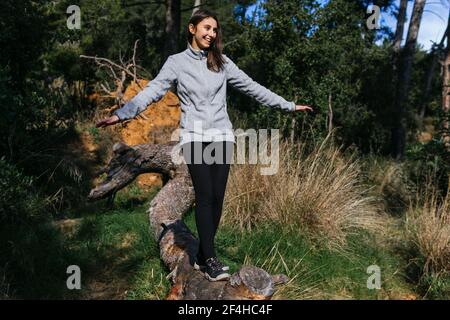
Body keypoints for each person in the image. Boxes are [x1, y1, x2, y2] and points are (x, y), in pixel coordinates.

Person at [96, 9, 313, 281]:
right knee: (205, 196)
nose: (211, 34)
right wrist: (122, 113)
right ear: (192, 28)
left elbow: (253, 87)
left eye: (214, 30)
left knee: (218, 199)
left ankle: (200, 256)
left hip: (223, 137)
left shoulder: (222, 63)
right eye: (206, 28)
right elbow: (153, 91)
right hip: (195, 137)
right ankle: (210, 259)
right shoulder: (176, 63)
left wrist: (288, 105)